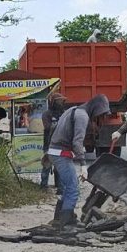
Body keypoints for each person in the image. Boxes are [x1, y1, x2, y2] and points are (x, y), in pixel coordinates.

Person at [47, 94, 110, 228]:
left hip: (55, 152)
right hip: (61, 154)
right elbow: (77, 142)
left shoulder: (73, 109)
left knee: (67, 187)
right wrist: (83, 165)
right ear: (96, 109)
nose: (99, 118)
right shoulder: (82, 116)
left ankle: (59, 217)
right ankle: (66, 220)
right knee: (73, 189)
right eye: (101, 114)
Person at [40, 92, 67, 190]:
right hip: (48, 144)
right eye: (59, 101)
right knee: (46, 166)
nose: (60, 103)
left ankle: (60, 187)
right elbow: (47, 127)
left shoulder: (64, 114)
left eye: (61, 101)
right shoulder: (46, 114)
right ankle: (43, 186)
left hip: (60, 145)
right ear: (53, 102)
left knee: (59, 167)